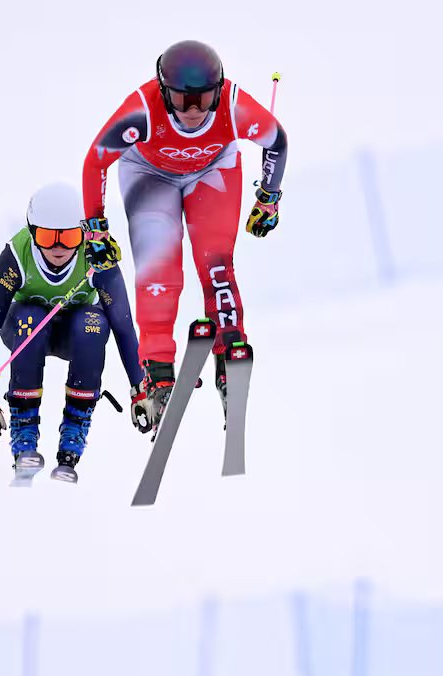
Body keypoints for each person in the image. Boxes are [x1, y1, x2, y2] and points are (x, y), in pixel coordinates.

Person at [80, 40, 289, 428]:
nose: (193, 111)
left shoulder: (232, 105)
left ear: (219, 89)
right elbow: (96, 162)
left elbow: (276, 140)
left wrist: (269, 199)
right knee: (159, 269)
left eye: (203, 98)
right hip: (149, 172)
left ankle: (230, 351)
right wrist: (95, 227)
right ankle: (157, 369)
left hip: (213, 168)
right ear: (163, 91)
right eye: (180, 99)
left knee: (216, 264)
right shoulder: (141, 110)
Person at [0, 183, 143, 482]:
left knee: (94, 322)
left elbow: (123, 326)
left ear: (84, 233)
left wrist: (140, 388)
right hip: (25, 331)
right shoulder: (17, 255)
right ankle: (24, 435)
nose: (58, 248)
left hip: (73, 336)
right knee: (31, 317)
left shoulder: (97, 253)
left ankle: (73, 435)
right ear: (32, 231)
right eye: (48, 237)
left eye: (70, 237)